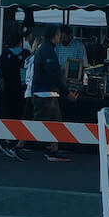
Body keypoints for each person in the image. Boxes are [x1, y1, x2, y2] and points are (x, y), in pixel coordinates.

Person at [32, 25, 78, 162]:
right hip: (45, 92)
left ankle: (54, 149)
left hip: (48, 92)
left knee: (56, 121)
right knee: (37, 122)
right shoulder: (47, 51)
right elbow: (53, 74)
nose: (60, 38)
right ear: (55, 36)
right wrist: (67, 93)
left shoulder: (46, 49)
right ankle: (17, 144)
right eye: (59, 35)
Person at [0, 29, 31, 159]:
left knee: (8, 115)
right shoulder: (26, 54)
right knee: (20, 115)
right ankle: (16, 142)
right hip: (22, 90)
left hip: (7, 89)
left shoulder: (4, 54)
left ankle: (7, 140)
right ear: (20, 42)